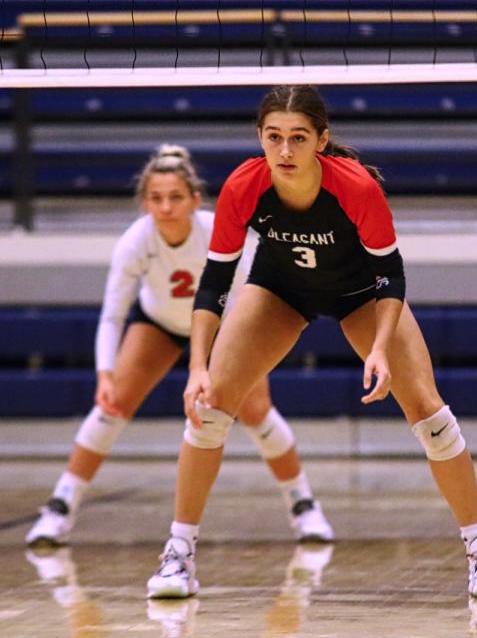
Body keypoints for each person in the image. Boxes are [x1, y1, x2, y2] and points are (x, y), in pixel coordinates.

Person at [145, 85, 477, 600]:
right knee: (208, 410)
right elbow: (214, 282)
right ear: (260, 138)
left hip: (362, 293)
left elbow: (392, 276)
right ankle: (179, 554)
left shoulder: (356, 187)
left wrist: (381, 347)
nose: (285, 151)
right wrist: (198, 368)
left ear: (322, 139)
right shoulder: (243, 186)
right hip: (280, 289)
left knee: (430, 414)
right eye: (273, 138)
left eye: (298, 138)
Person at [25, 145, 333, 547]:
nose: (165, 207)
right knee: (113, 402)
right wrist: (104, 373)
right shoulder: (136, 241)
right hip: (160, 322)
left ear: (193, 199)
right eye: (156, 198)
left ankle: (303, 505)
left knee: (256, 409)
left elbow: (255, 297)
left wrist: (213, 359)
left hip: (224, 325)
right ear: (145, 202)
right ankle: (59, 508)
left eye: (174, 197)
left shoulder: (219, 232)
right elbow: (112, 314)